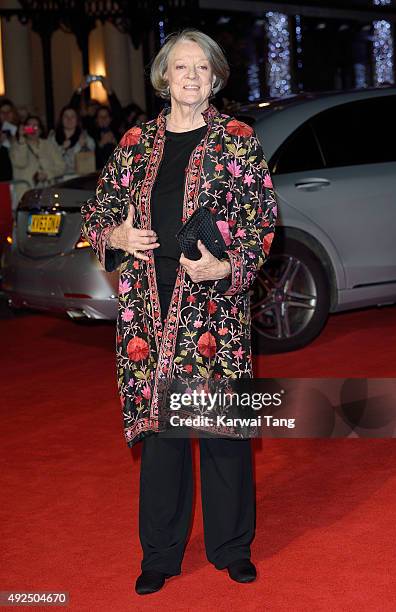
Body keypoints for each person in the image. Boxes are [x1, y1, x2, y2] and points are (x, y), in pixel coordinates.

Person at [81, 28, 277, 596]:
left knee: (219, 432)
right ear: (164, 77)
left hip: (212, 308)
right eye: (181, 67)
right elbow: (100, 216)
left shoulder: (238, 141)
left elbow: (264, 226)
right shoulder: (136, 142)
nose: (191, 77)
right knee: (163, 438)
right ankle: (161, 555)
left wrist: (227, 267)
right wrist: (115, 232)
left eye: (202, 69)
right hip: (148, 307)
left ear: (215, 79)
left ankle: (232, 547)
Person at [9, 115, 65, 201]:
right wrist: (22, 139)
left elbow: (61, 166)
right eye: (29, 126)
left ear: (40, 130)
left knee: (49, 215)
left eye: (35, 126)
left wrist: (47, 174)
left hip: (48, 194)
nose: (33, 129)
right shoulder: (17, 146)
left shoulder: (49, 145)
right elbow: (21, 163)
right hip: (26, 195)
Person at [48, 106, 95, 176]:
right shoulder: (52, 139)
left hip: (78, 179)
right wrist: (62, 149)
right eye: (66, 116)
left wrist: (83, 147)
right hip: (57, 178)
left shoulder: (86, 139)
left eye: (72, 116)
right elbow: (49, 160)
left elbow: (89, 162)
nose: (69, 119)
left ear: (77, 120)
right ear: (61, 119)